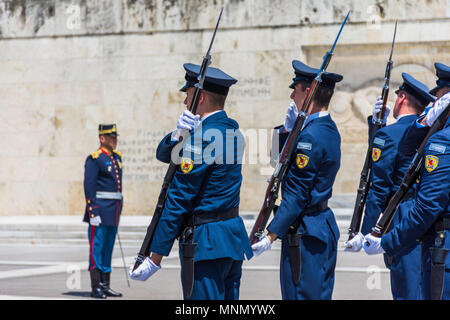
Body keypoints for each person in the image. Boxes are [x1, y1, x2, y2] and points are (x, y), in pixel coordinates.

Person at [129, 63, 253, 300]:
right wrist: (178, 136)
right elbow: (164, 154)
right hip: (230, 239)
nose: (185, 103)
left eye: (188, 96)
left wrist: (155, 257)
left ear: (201, 97)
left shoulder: (203, 138)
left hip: (206, 245)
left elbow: (178, 198)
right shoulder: (230, 130)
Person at [251, 60, 343, 300]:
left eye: (297, 88)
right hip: (313, 229)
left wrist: (271, 234)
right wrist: (285, 132)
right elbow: (277, 161)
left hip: (306, 232)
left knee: (300, 295)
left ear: (309, 91)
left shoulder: (310, 137)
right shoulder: (322, 129)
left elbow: (297, 194)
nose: (292, 95)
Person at [363, 62, 450, 300]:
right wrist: (423, 123)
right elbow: (408, 150)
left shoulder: (442, 142)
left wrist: (376, 236)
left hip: (423, 232)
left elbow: (378, 188)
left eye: (440, 96)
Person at [344, 73, 435, 300]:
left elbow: (379, 188)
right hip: (427, 220)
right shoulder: (432, 133)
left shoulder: (388, 134)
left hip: (401, 221)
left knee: (407, 292)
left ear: (402, 98)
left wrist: (365, 231)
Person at [83, 124, 123, 299]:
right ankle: (96, 287)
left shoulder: (116, 158)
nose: (115, 140)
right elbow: (89, 185)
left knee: (108, 249)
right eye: (111, 137)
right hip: (99, 211)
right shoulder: (95, 159)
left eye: (116, 137)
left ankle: (106, 285)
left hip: (113, 212)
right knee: (96, 249)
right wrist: (93, 212)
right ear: (102, 138)